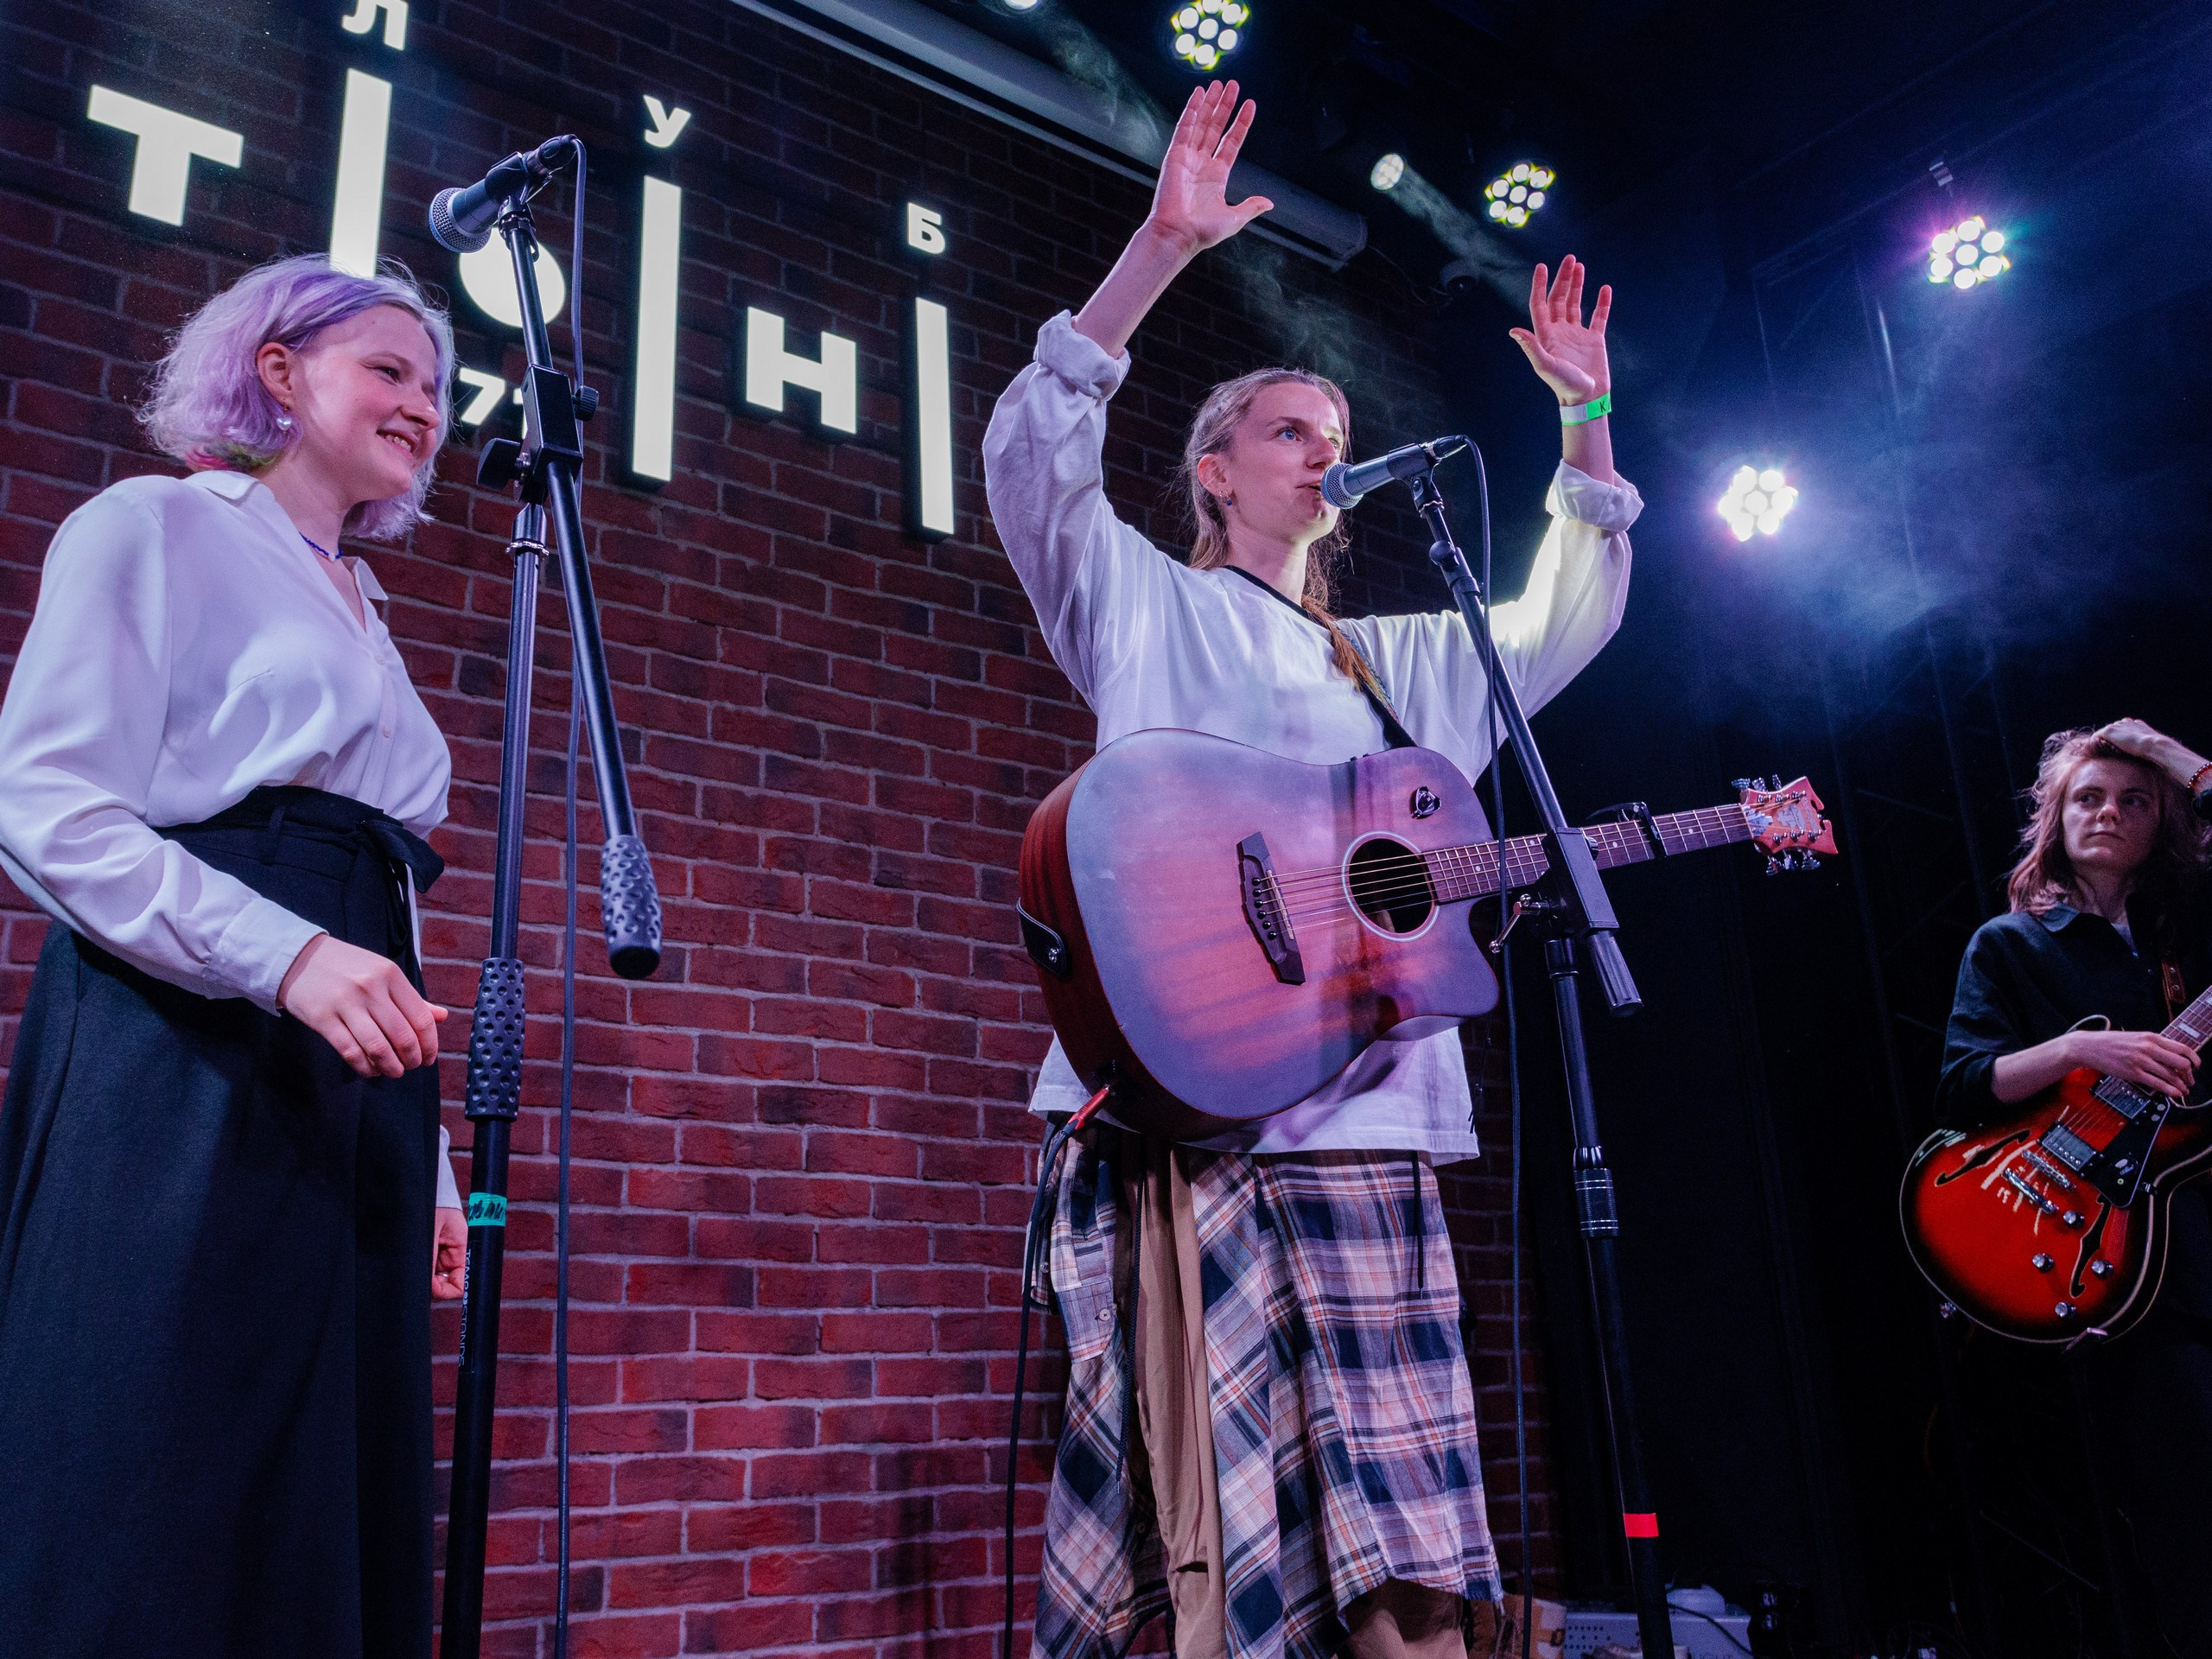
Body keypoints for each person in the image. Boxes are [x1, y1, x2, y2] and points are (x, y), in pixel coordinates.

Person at [983, 81, 1639, 1659]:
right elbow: (1029, 459)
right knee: (1221, 1525)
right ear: (1212, 470)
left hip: (1366, 1118)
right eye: (1289, 431)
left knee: (1392, 1542)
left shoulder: (1402, 663)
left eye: (1335, 439)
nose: (1321, 453)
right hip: (1191, 1102)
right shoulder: (1145, 604)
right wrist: (1157, 252)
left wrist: (1583, 421)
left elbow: (1573, 614)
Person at [0, 255, 468, 1659]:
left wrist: (429, 1153)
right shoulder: (153, 526)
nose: (424, 405)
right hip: (184, 1041)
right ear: (279, 371)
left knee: (321, 1489)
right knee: (159, 1463)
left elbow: (376, 884)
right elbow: (46, 805)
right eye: (389, 369)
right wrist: (284, 955)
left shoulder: (361, 603)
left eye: (438, 387)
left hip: (347, 1074)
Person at [1936, 717, 2212, 1659]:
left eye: (2134, 801)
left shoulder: (2188, 932)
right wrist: (2078, 1051)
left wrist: (2173, 758)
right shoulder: (2011, 945)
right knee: (2186, 1526)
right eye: (2087, 798)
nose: (2108, 813)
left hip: (2199, 1227)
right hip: (2126, 1268)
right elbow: (1963, 1085)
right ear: (2054, 818)